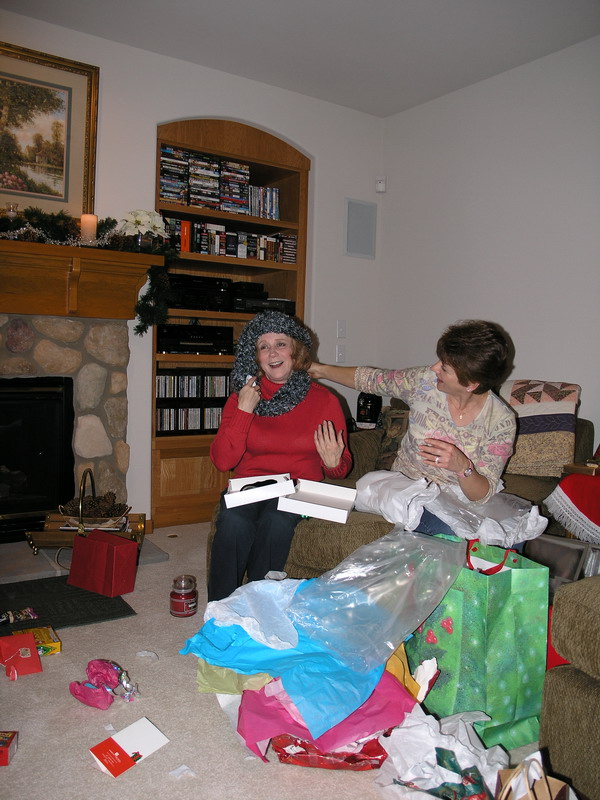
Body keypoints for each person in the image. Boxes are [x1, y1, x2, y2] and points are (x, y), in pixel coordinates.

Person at [309, 319, 516, 536]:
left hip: (459, 502)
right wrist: (319, 369)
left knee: (502, 534)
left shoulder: (500, 421)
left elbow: (481, 495)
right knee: (445, 529)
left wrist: (462, 467)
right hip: (404, 490)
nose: (434, 368)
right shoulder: (424, 382)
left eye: (444, 368)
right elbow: (372, 380)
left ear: (471, 384)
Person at [208, 311, 352, 601]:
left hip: (300, 489)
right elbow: (223, 462)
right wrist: (244, 410)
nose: (273, 353)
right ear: (256, 357)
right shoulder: (242, 397)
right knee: (234, 522)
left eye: (281, 344)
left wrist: (334, 462)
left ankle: (261, 604)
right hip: (250, 486)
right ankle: (220, 610)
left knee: (276, 520)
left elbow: (342, 469)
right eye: (264, 346)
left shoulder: (324, 400)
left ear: (295, 350)